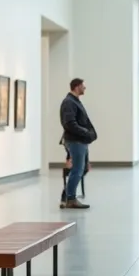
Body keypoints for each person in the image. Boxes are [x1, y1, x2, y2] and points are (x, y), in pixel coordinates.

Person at [60, 78, 96, 210]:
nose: (85, 88)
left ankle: (68, 194)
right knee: (78, 169)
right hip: (76, 140)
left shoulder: (74, 101)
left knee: (84, 168)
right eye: (83, 86)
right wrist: (85, 132)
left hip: (80, 140)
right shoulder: (69, 102)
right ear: (76, 87)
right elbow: (69, 123)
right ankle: (70, 198)